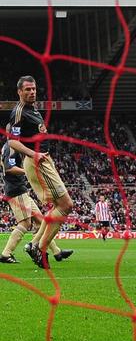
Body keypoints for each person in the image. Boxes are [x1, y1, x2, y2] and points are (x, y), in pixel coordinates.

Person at [8, 76, 74, 268]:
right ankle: (39, 247)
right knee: (65, 205)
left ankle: (35, 244)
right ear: (19, 91)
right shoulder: (19, 112)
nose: (32, 92)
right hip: (36, 161)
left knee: (59, 206)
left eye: (34, 89)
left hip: (44, 159)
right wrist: (33, 154)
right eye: (27, 89)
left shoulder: (33, 109)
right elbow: (12, 141)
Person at [0, 139, 73, 264]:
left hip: (20, 189)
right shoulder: (10, 147)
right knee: (25, 223)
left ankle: (56, 252)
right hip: (16, 190)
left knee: (40, 220)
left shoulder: (11, 147)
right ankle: (6, 254)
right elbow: (9, 168)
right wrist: (27, 172)